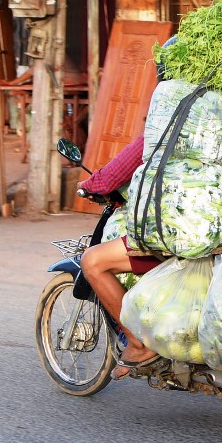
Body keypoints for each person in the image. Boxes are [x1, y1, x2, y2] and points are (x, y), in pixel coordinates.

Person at [77, 134, 163, 379]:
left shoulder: (163, 126)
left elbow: (111, 176)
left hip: (171, 238)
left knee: (92, 261)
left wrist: (89, 186)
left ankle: (137, 344)